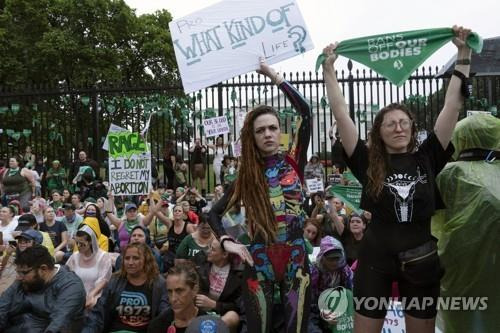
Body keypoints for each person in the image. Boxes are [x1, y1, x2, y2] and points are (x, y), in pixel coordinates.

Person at [321, 25, 472, 332]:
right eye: (390, 124)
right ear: (379, 132)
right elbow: (340, 113)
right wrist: (329, 70)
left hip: (421, 261)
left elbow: (452, 106)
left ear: (412, 127)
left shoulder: (428, 155)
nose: (399, 128)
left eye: (404, 122)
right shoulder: (366, 159)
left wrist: (463, 54)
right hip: (375, 262)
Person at [209, 58, 311, 333]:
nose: (267, 134)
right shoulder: (245, 177)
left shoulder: (294, 163)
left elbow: (306, 111)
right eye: (260, 130)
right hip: (259, 260)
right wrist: (228, 241)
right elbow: (213, 214)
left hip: (296, 259)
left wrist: (272, 75)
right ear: (252, 137)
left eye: (272, 128)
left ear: (280, 132)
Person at [83, 242, 168, 332]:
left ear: (146, 260)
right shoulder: (115, 281)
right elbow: (99, 313)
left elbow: (164, 315)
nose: (130, 262)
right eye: (127, 258)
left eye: (136, 258)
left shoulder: (159, 284)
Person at [0, 244, 86, 332]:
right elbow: (3, 306)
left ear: (43, 269)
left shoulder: (70, 287)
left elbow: (58, 325)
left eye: (23, 273)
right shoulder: (24, 279)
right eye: (18, 272)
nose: (19, 277)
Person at [309, 236, 353, 333]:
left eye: (337, 258)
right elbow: (309, 305)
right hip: (316, 312)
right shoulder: (313, 273)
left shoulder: (345, 271)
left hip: (339, 311)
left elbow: (352, 295)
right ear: (322, 257)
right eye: (330, 259)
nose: (334, 262)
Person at [148, 261, 207, 333]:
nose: (173, 299)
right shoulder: (157, 325)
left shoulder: (209, 325)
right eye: (169, 292)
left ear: (194, 290)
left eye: (179, 291)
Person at [196, 238, 242, 330]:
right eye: (209, 247)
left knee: (232, 317)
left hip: (222, 315)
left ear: (224, 254)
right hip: (199, 311)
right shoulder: (202, 263)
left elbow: (237, 306)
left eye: (212, 249)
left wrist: (214, 304)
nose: (208, 251)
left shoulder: (238, 275)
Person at [66, 225, 112, 310]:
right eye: (77, 243)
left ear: (90, 242)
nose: (79, 246)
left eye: (82, 244)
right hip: (76, 295)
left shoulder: (103, 257)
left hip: (96, 294)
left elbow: (104, 279)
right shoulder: (75, 257)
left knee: (92, 304)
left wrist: (92, 294)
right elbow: (67, 275)